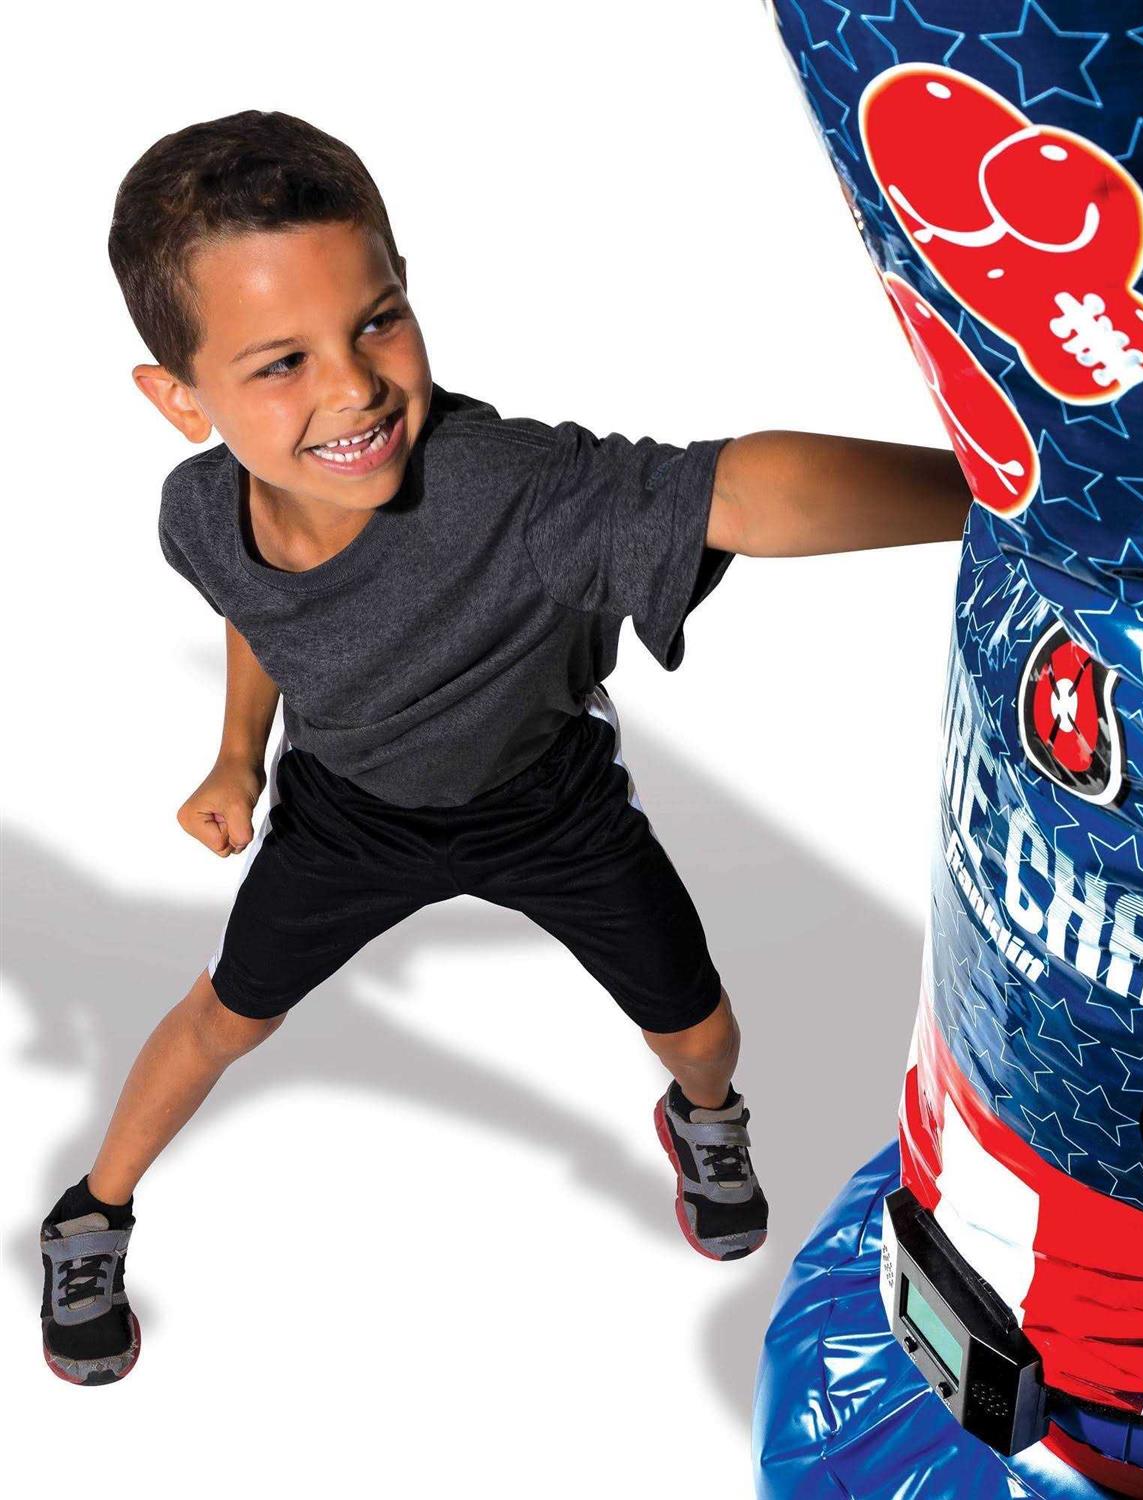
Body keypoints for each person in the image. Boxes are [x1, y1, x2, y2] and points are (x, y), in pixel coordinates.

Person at [37, 110, 973, 1386]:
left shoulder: (520, 494)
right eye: (282, 363)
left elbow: (752, 492)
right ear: (179, 399)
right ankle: (90, 1211)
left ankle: (704, 1120)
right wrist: (238, 758)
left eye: (376, 321)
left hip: (550, 807)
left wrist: (1013, 499)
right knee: (221, 1019)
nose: (355, 388)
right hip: (348, 814)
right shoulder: (197, 512)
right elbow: (259, 612)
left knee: (704, 1032)